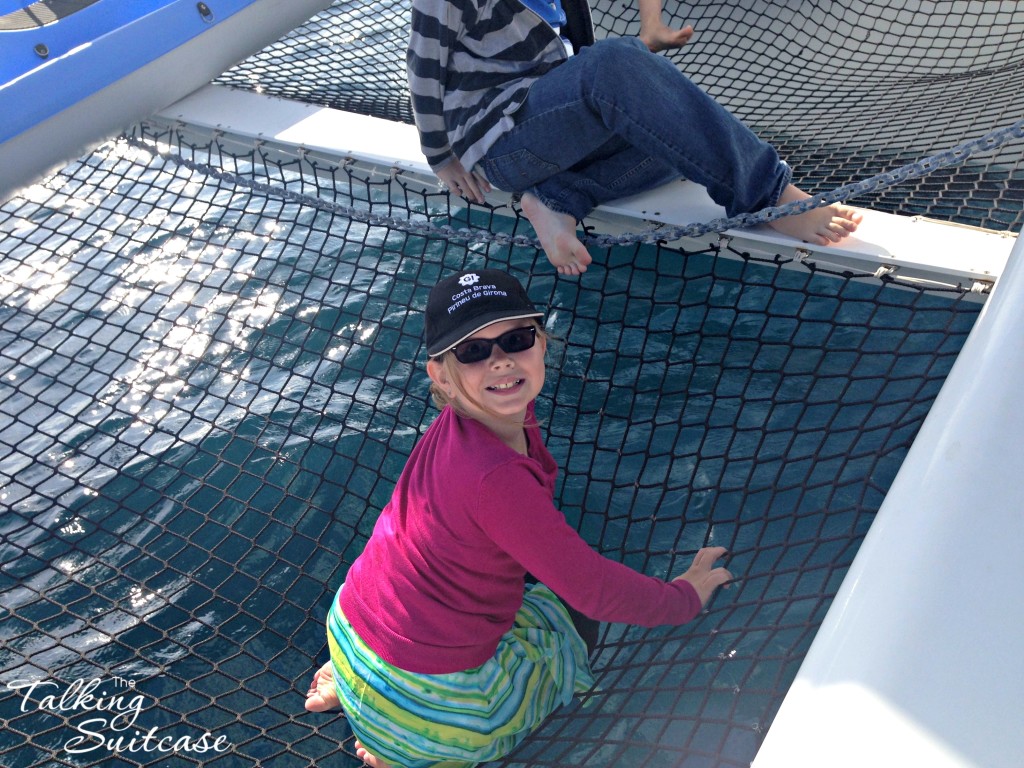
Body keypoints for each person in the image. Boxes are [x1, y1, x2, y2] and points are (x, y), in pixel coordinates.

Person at [305, 268, 733, 768]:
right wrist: (683, 598)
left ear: (541, 343)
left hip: (354, 627)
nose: (501, 360)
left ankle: (367, 697)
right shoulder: (497, 480)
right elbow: (592, 589)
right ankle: (405, 744)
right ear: (441, 374)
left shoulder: (467, 421)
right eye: (472, 351)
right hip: (434, 693)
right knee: (572, 623)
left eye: (516, 338)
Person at [407, 0, 862, 276]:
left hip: (557, 119)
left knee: (680, 136)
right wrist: (440, 156)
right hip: (500, 138)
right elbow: (423, 64)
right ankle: (770, 196)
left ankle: (557, 197)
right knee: (613, 61)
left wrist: (652, 26)